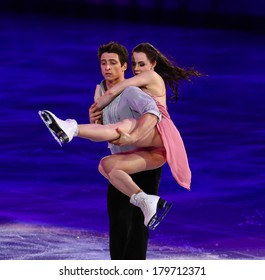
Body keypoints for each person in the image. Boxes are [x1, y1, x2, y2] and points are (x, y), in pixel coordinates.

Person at [41, 42, 164, 260]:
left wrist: (134, 137)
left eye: (112, 63)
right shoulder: (99, 90)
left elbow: (153, 114)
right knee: (117, 220)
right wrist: (94, 123)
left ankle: (135, 271)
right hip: (119, 161)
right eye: (103, 63)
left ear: (124, 66)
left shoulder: (132, 91)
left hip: (143, 159)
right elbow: (106, 131)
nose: (107, 68)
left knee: (138, 224)